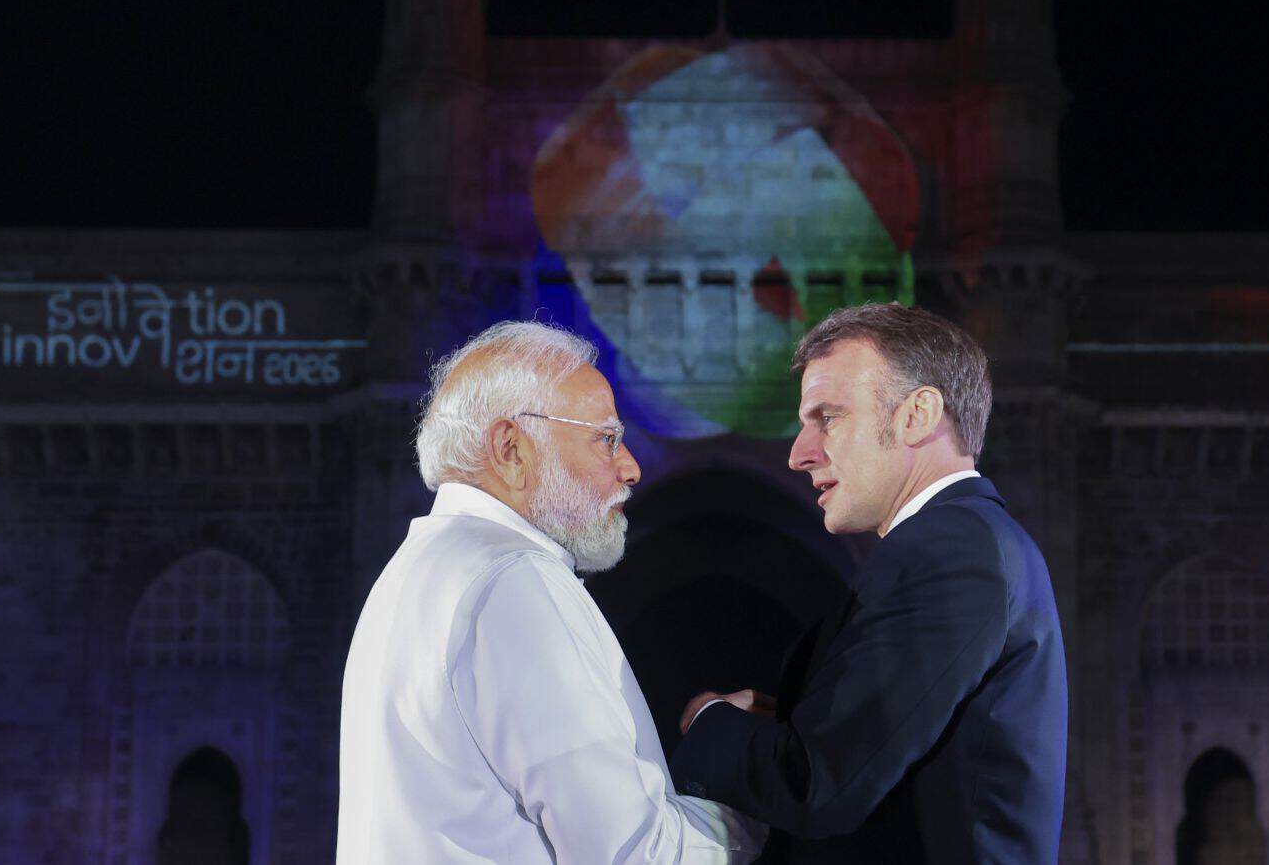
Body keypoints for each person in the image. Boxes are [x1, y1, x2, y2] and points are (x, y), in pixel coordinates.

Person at [338, 321, 764, 864]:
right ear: (511, 448)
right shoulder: (513, 580)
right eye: (605, 439)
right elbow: (634, 855)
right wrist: (760, 798)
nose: (630, 468)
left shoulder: (416, 569)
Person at [669, 303, 1067, 864]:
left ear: (917, 415)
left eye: (826, 418)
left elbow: (820, 786)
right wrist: (792, 722)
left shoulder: (953, 552)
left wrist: (709, 719)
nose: (799, 454)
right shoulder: (956, 543)